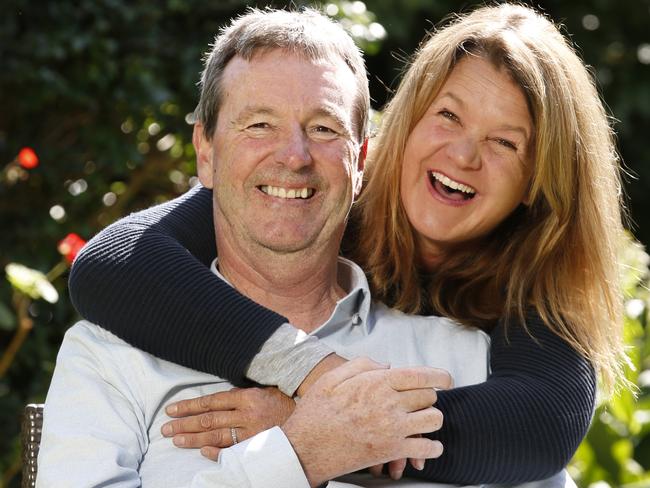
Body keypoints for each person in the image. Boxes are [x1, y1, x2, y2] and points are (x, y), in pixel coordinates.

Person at [67, 2, 626, 484]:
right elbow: (113, 264)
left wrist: (323, 428)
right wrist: (315, 376)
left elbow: (538, 430)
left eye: (505, 142)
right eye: (448, 116)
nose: (463, 156)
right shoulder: (311, 198)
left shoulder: (524, 303)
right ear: (403, 124)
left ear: (539, 181)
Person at [37, 8, 465, 487]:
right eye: (259, 124)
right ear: (206, 152)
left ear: (361, 160)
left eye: (324, 128)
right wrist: (301, 451)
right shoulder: (109, 358)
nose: (294, 156)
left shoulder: (457, 353)